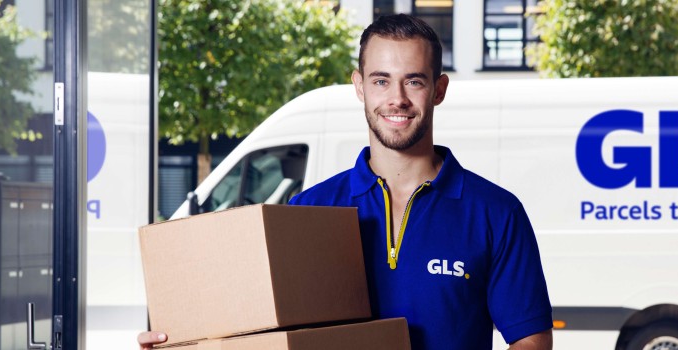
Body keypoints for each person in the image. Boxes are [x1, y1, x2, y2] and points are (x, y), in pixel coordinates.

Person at [140, 14, 552, 350]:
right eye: (380, 80)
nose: (397, 99)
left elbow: (531, 340)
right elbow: (255, 331)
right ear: (359, 87)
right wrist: (180, 340)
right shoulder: (308, 212)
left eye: (414, 80)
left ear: (439, 89)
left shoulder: (496, 212)